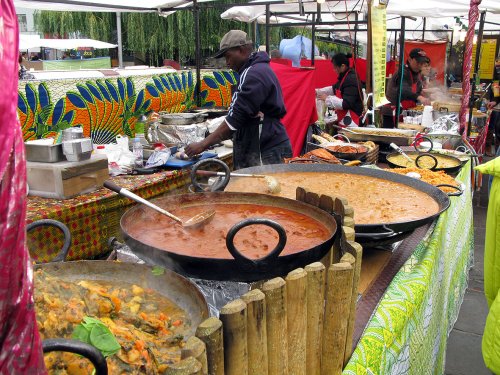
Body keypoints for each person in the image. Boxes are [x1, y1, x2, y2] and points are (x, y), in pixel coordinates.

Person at [185, 30, 292, 169]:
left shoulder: (254, 73)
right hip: (266, 144)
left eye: (228, 57)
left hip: (265, 148)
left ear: (241, 50)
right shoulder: (256, 69)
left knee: (261, 189)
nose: (227, 63)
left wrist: (202, 144)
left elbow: (236, 118)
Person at [382, 48, 432, 127]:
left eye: (422, 62)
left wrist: (424, 93)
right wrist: (419, 97)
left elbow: (417, 91)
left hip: (405, 113)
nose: (420, 64)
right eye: (418, 61)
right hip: (392, 113)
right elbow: (404, 90)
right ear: (409, 59)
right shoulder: (402, 72)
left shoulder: (416, 74)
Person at [316, 53, 364, 127]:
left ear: (342, 66)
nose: (334, 70)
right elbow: (334, 88)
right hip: (345, 120)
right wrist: (318, 91)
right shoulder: (344, 77)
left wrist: (327, 99)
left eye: (335, 68)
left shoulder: (351, 79)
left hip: (352, 122)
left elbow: (346, 104)